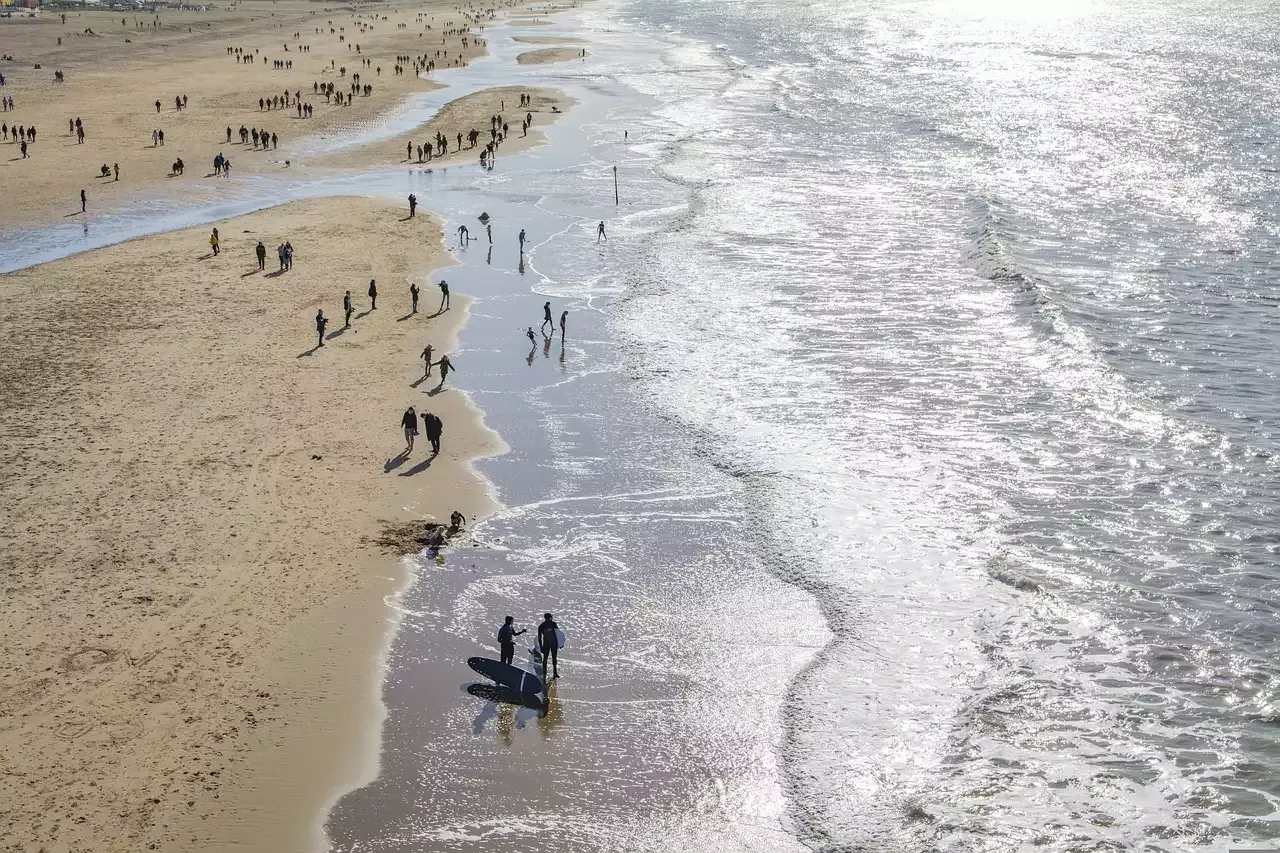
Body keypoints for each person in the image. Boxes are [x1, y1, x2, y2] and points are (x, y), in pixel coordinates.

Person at [537, 613, 560, 679]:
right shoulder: (551, 624)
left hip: (548, 644)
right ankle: (551, 673)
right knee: (551, 658)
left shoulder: (542, 626)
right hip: (552, 644)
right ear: (550, 618)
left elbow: (558, 634)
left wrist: (541, 647)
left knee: (548, 659)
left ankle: (549, 673)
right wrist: (541, 647)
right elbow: (558, 635)